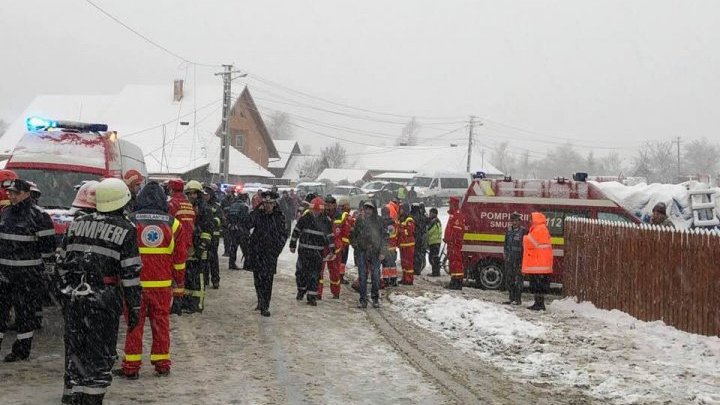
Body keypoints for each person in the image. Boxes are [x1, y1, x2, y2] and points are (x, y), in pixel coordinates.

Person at [57, 178, 142, 404]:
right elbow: (130, 275)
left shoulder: (76, 225)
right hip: (104, 300)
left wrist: (65, 293)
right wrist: (134, 307)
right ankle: (92, 398)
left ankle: (72, 394)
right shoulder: (126, 230)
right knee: (100, 353)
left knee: (76, 348)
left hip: (76, 297)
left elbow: (61, 264)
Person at [120, 182, 187, 379]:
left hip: (135, 286)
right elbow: (179, 260)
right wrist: (179, 285)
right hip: (162, 286)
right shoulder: (173, 224)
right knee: (161, 324)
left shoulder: (130, 221)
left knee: (134, 325)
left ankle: (131, 367)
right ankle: (162, 363)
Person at [0, 178, 56, 363]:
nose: (11, 196)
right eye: (9, 192)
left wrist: (48, 274)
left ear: (26, 194)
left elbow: (48, 249)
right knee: (1, 313)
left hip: (28, 276)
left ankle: (21, 351)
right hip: (4, 274)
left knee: (25, 315)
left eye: (15, 193)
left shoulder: (40, 216)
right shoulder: (5, 213)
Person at [244, 191, 288, 316]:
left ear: (274, 204)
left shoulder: (279, 216)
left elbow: (283, 235)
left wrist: (276, 250)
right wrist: (257, 210)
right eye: (266, 203)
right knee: (257, 278)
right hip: (257, 252)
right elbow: (248, 224)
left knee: (268, 280)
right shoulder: (258, 214)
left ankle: (265, 305)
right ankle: (260, 300)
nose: (268, 205)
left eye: (270, 203)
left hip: (270, 253)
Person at [289, 196, 334, 306]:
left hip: (318, 253)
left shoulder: (326, 221)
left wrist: (332, 250)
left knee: (315, 275)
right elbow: (296, 231)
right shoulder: (305, 218)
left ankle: (311, 297)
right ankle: (301, 289)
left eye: (319, 210)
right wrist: (292, 244)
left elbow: (330, 236)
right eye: (315, 210)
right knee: (301, 273)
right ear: (311, 209)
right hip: (304, 251)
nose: (316, 212)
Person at [182, 180, 213, 314]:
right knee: (188, 277)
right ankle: (188, 303)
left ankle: (197, 304)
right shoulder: (186, 207)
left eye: (195, 193)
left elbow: (208, 229)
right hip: (188, 247)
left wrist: (202, 246)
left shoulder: (204, 208)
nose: (192, 196)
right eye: (190, 193)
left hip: (200, 249)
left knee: (199, 277)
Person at [167, 179, 196, 315]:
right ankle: (181, 303)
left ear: (171, 189)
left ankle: (175, 305)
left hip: (176, 243)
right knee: (182, 274)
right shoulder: (188, 204)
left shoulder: (172, 203)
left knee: (173, 274)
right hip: (187, 244)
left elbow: (168, 224)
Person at [350, 202, 386, 308]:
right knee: (362, 276)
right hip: (362, 251)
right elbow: (353, 235)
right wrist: (356, 246)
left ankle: (375, 298)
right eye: (366, 208)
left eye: (370, 209)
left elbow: (385, 237)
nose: (368, 211)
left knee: (375, 276)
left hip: (376, 252)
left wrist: (383, 252)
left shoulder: (379, 221)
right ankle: (363, 299)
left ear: (374, 209)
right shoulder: (360, 220)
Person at [522, 212, 553, 311]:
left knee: (537, 285)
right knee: (538, 285)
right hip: (540, 263)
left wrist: (524, 237)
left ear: (535, 219)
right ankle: (538, 303)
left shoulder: (539, 229)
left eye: (531, 219)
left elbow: (531, 242)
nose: (530, 221)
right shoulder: (541, 228)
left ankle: (539, 304)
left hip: (539, 263)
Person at [503, 212, 527, 305]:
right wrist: (505, 253)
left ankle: (518, 299)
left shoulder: (523, 231)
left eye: (516, 221)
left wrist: (523, 259)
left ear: (519, 221)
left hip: (519, 259)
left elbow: (525, 246)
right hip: (509, 259)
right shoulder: (508, 231)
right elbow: (505, 243)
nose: (514, 223)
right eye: (512, 221)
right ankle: (511, 298)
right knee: (509, 279)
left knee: (518, 280)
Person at [203, 184, 224, 289]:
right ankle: (205, 279)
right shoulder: (201, 205)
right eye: (203, 195)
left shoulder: (216, 206)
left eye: (207, 194)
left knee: (213, 259)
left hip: (213, 237)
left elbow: (221, 219)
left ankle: (215, 280)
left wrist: (211, 222)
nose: (205, 196)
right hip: (203, 236)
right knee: (203, 258)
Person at [225, 193, 251, 270]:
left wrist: (231, 225)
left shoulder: (232, 205)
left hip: (233, 230)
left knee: (233, 247)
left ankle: (231, 264)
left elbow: (228, 216)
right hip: (242, 230)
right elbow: (245, 219)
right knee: (246, 248)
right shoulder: (244, 206)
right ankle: (247, 265)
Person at [444, 197, 465, 290]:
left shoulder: (457, 215)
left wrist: (450, 240)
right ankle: (454, 280)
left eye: (450, 204)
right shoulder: (453, 215)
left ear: (454, 204)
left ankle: (457, 282)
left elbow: (456, 231)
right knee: (453, 262)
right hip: (451, 244)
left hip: (454, 244)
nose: (449, 205)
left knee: (456, 262)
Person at [380, 206, 399, 287]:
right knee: (392, 264)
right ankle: (394, 280)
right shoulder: (394, 222)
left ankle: (386, 280)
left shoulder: (382, 222)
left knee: (386, 264)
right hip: (393, 246)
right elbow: (396, 233)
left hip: (385, 247)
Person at [398, 203, 416, 285]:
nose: (400, 210)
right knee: (404, 263)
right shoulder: (401, 218)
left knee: (408, 263)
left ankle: (409, 279)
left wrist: (400, 230)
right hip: (403, 245)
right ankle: (404, 278)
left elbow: (409, 231)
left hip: (408, 245)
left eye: (401, 209)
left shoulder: (409, 219)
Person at [426, 207, 442, 277]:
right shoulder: (437, 220)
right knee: (435, 257)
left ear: (434, 214)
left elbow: (429, 231)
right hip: (436, 241)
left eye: (430, 213)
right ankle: (436, 271)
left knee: (432, 258)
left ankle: (435, 272)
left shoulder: (434, 221)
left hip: (434, 241)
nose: (429, 214)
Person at [412, 203, 427, 276]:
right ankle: (418, 268)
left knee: (415, 254)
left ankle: (416, 268)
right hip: (421, 237)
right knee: (419, 253)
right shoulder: (422, 217)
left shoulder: (413, 217)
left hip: (416, 237)